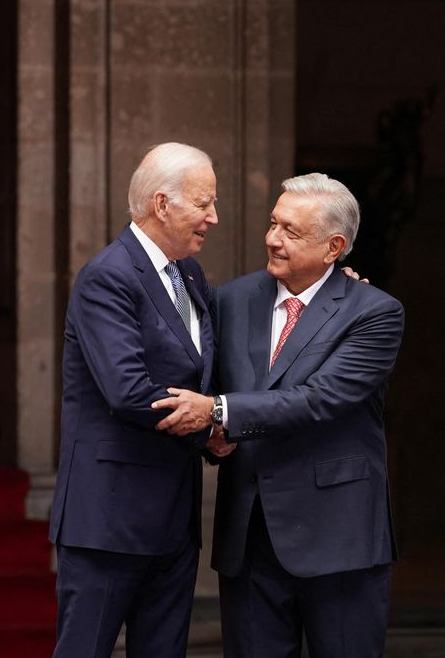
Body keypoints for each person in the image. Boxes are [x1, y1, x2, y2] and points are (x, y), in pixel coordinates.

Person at [153, 172, 404, 657]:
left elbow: (321, 398)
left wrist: (218, 410)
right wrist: (210, 435)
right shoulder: (230, 299)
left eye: (292, 231)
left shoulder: (374, 312)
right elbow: (206, 382)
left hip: (339, 537)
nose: (272, 239)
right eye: (273, 223)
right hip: (248, 539)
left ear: (334, 248)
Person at [48, 142, 220, 658]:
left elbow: (234, 333)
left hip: (173, 518)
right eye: (203, 203)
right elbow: (127, 390)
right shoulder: (109, 276)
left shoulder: (189, 275)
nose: (213, 216)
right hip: (109, 518)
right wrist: (209, 425)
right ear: (163, 204)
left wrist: (327, 288)